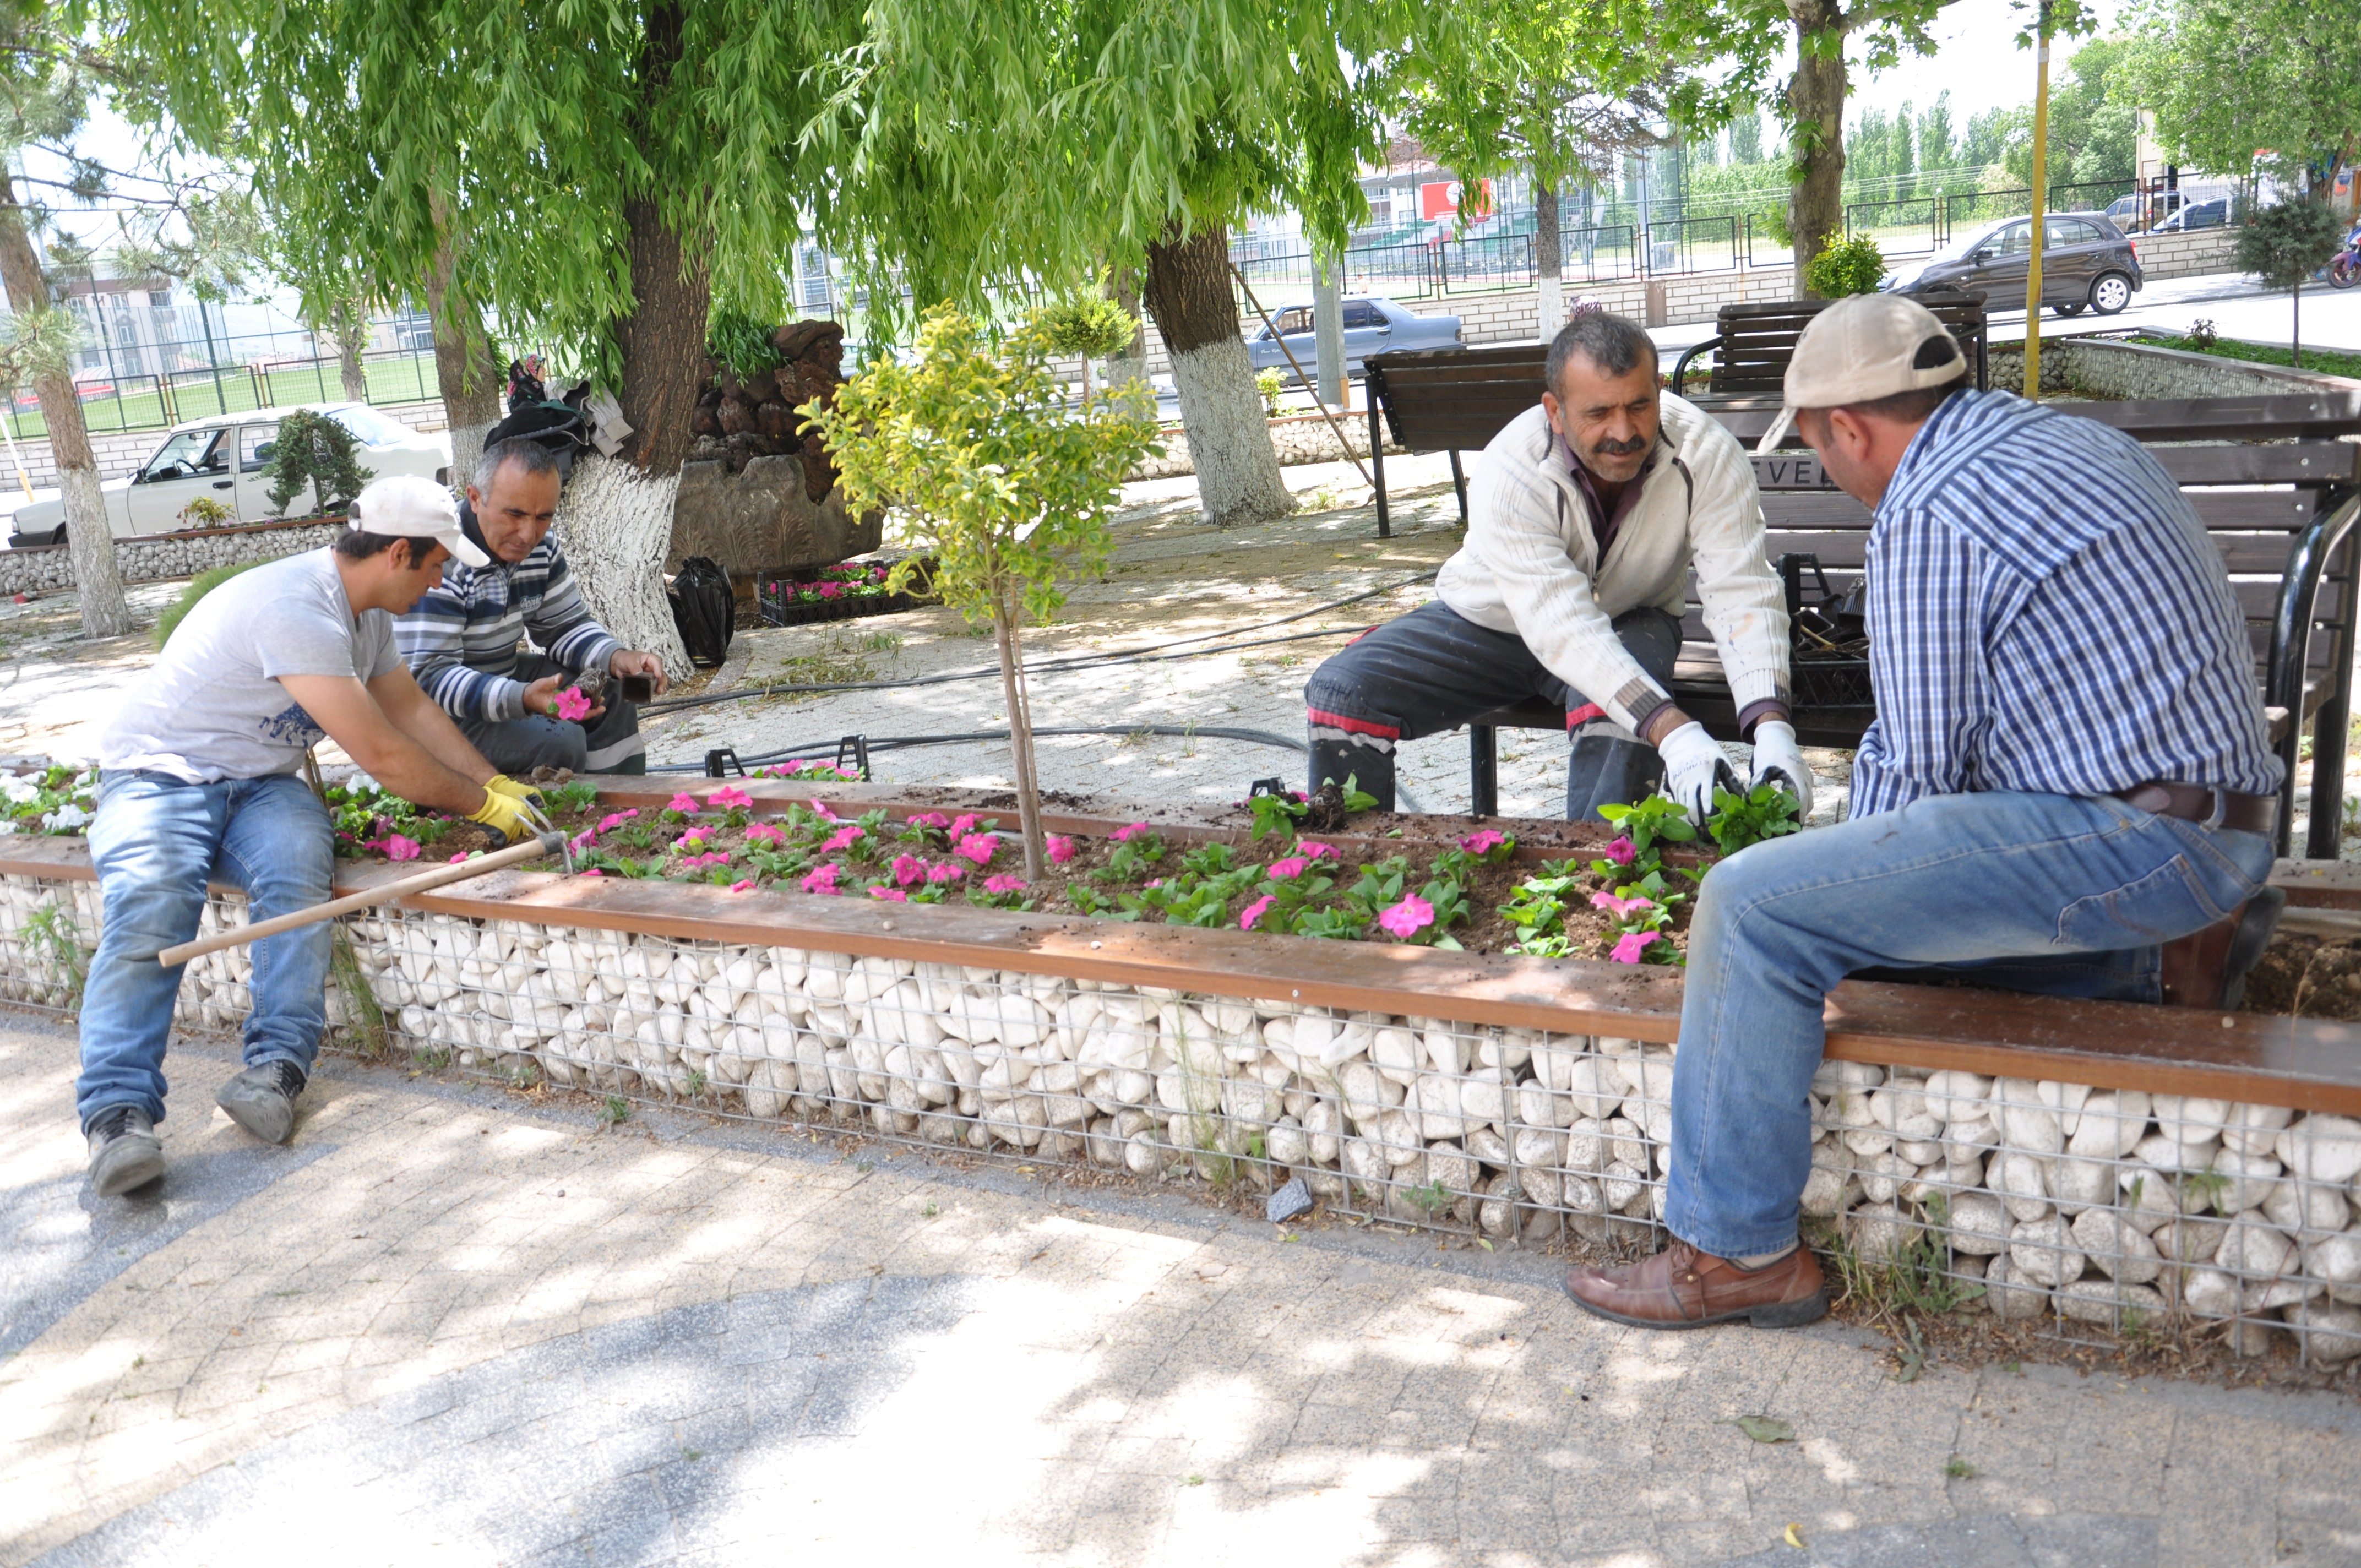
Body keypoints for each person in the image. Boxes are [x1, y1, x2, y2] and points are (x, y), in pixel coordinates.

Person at [1562, 295, 2285, 1332]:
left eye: (1817, 451)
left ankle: (1733, 1252)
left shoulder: (1929, 505)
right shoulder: (2066, 438)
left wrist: (1820, 896)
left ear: (1848, 427)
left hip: (2137, 838)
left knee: (1755, 910)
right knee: (1848, 917)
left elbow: (1918, 767)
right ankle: (2139, 966)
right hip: (2211, 821)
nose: (1837, 479)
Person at [79, 476, 555, 1197]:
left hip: (260, 785)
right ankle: (117, 1120)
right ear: (399, 553)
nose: (438, 581)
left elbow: (415, 715)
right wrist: (481, 809)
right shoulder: (297, 606)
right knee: (153, 901)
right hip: (159, 776)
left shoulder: (367, 619)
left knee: (300, 869)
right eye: (434, 566)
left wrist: (495, 785)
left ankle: (273, 1072)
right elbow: (386, 757)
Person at [1302, 310, 1809, 823]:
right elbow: (1560, 626)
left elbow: (1741, 589)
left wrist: (1773, 730)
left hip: (1630, 616)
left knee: (1622, 714)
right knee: (1342, 693)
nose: (1624, 431)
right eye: (1599, 413)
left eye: (1640, 405)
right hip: (1494, 624)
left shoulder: (1708, 453)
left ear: (1660, 390)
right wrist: (1677, 735)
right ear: (1555, 411)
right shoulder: (1510, 468)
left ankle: (1603, 884)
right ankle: (1345, 872)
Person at [395, 437, 670, 775]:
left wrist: (616, 656)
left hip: (503, 674)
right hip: (436, 717)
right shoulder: (439, 555)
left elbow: (564, 625)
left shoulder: (541, 548)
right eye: (515, 514)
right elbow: (430, 678)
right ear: (475, 498)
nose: (528, 534)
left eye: (544, 517)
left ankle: (622, 805)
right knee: (561, 740)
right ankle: (566, 816)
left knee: (610, 689)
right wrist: (522, 698)